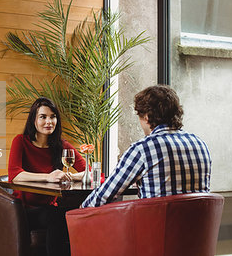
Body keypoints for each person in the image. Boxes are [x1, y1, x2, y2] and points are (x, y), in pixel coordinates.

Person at [81, 85, 211, 208]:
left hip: (155, 229)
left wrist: (78, 212)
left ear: (147, 117)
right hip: (198, 230)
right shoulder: (200, 144)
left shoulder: (143, 149)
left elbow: (104, 196)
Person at [8, 97, 86, 256]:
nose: (49, 121)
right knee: (57, 216)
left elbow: (89, 172)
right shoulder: (20, 141)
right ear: (34, 120)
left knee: (76, 213)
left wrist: (70, 176)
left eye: (53, 116)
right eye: (43, 117)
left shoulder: (62, 146)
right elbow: (14, 175)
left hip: (52, 207)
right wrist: (48, 177)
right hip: (26, 210)